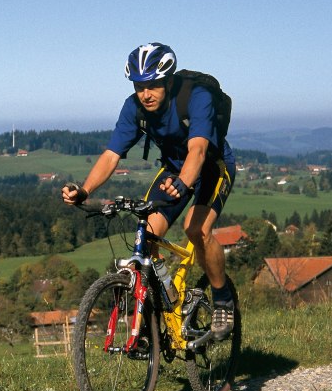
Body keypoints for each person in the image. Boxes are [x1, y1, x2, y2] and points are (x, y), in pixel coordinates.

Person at [61, 42, 236, 339]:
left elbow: (198, 149)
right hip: (171, 170)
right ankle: (161, 308)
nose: (146, 93)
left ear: (168, 80)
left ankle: (222, 297)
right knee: (147, 233)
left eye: (153, 85)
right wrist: (85, 189)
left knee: (197, 230)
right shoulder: (134, 107)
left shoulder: (197, 97)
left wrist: (184, 182)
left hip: (211, 166)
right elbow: (111, 155)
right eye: (140, 85)